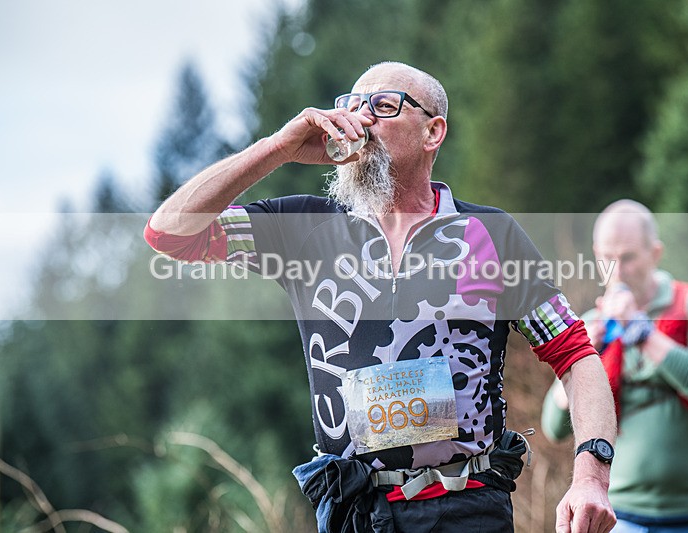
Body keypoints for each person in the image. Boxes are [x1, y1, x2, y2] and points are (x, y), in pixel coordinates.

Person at [145, 61, 616, 533]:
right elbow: (169, 235)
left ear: (433, 132)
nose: (361, 118)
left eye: (383, 105)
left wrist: (591, 477)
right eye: (350, 106)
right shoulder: (305, 229)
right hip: (354, 511)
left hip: (467, 509)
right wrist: (279, 148)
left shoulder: (489, 233)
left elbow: (576, 355)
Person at [541, 200, 688, 532]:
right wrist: (578, 359)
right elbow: (554, 425)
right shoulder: (591, 325)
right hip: (623, 515)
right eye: (607, 258)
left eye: (629, 258)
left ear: (655, 252)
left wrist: (642, 331)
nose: (617, 271)